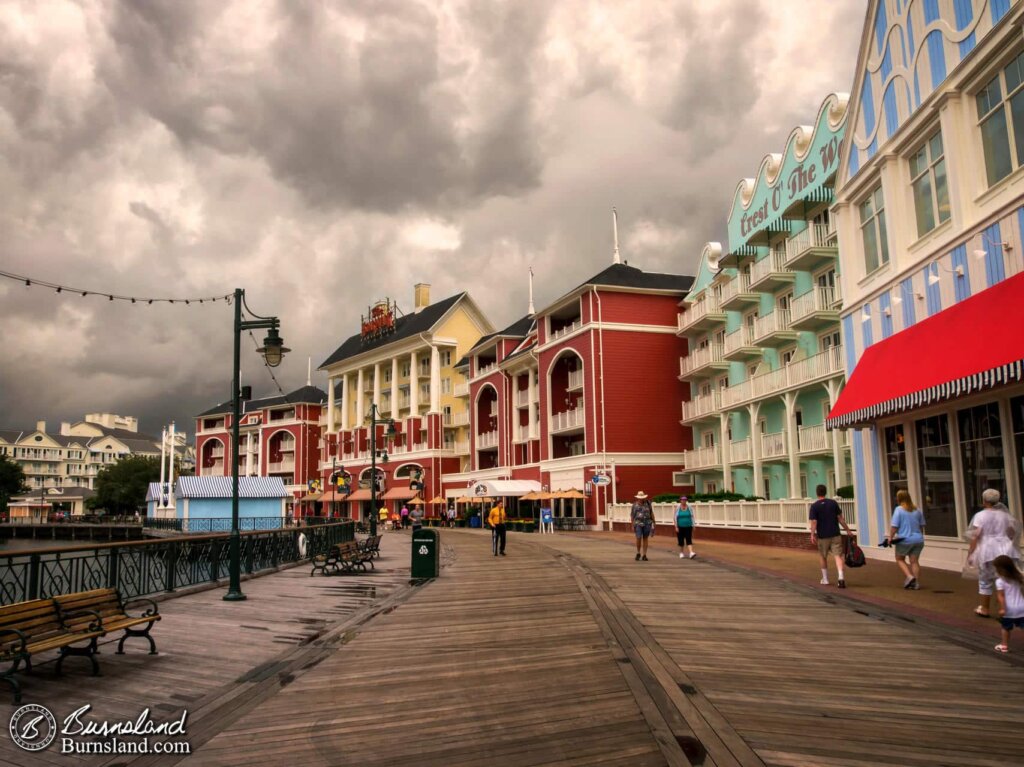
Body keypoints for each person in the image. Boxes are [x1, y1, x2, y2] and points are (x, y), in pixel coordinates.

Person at [967, 488, 1022, 618]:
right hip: (1006, 549)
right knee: (1007, 579)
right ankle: (1008, 607)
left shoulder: (980, 516)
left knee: (985, 580)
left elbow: (976, 536)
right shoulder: (1005, 516)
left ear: (984, 500)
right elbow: (1011, 533)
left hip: (987, 550)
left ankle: (985, 608)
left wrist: (971, 552)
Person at [809, 484, 854, 588]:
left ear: (817, 493)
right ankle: (841, 577)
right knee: (838, 555)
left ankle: (825, 579)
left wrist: (812, 534)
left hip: (823, 536)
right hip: (835, 534)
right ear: (825, 492)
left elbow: (814, 522)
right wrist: (848, 530)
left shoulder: (814, 506)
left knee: (823, 556)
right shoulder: (833, 503)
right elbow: (840, 519)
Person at [887, 489, 926, 589]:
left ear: (899, 498)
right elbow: (922, 526)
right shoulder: (917, 510)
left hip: (904, 540)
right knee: (914, 561)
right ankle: (916, 583)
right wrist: (919, 535)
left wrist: (890, 537)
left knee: (899, 559)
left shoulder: (898, 510)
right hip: (918, 539)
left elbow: (894, 526)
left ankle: (909, 576)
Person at [994, 555, 1024, 653]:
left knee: (1006, 628)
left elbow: (1001, 596)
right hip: (1021, 607)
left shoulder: (999, 581)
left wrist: (1002, 608)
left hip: (1009, 609)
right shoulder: (1018, 577)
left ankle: (1004, 645)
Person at [630, 491, 654, 561]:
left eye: (642, 498)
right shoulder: (635, 505)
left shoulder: (648, 503)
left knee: (645, 538)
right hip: (638, 523)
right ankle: (638, 552)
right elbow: (632, 515)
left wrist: (654, 522)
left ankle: (644, 554)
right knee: (638, 537)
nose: (641, 499)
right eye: (640, 498)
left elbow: (651, 512)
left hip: (647, 523)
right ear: (638, 498)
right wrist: (632, 524)